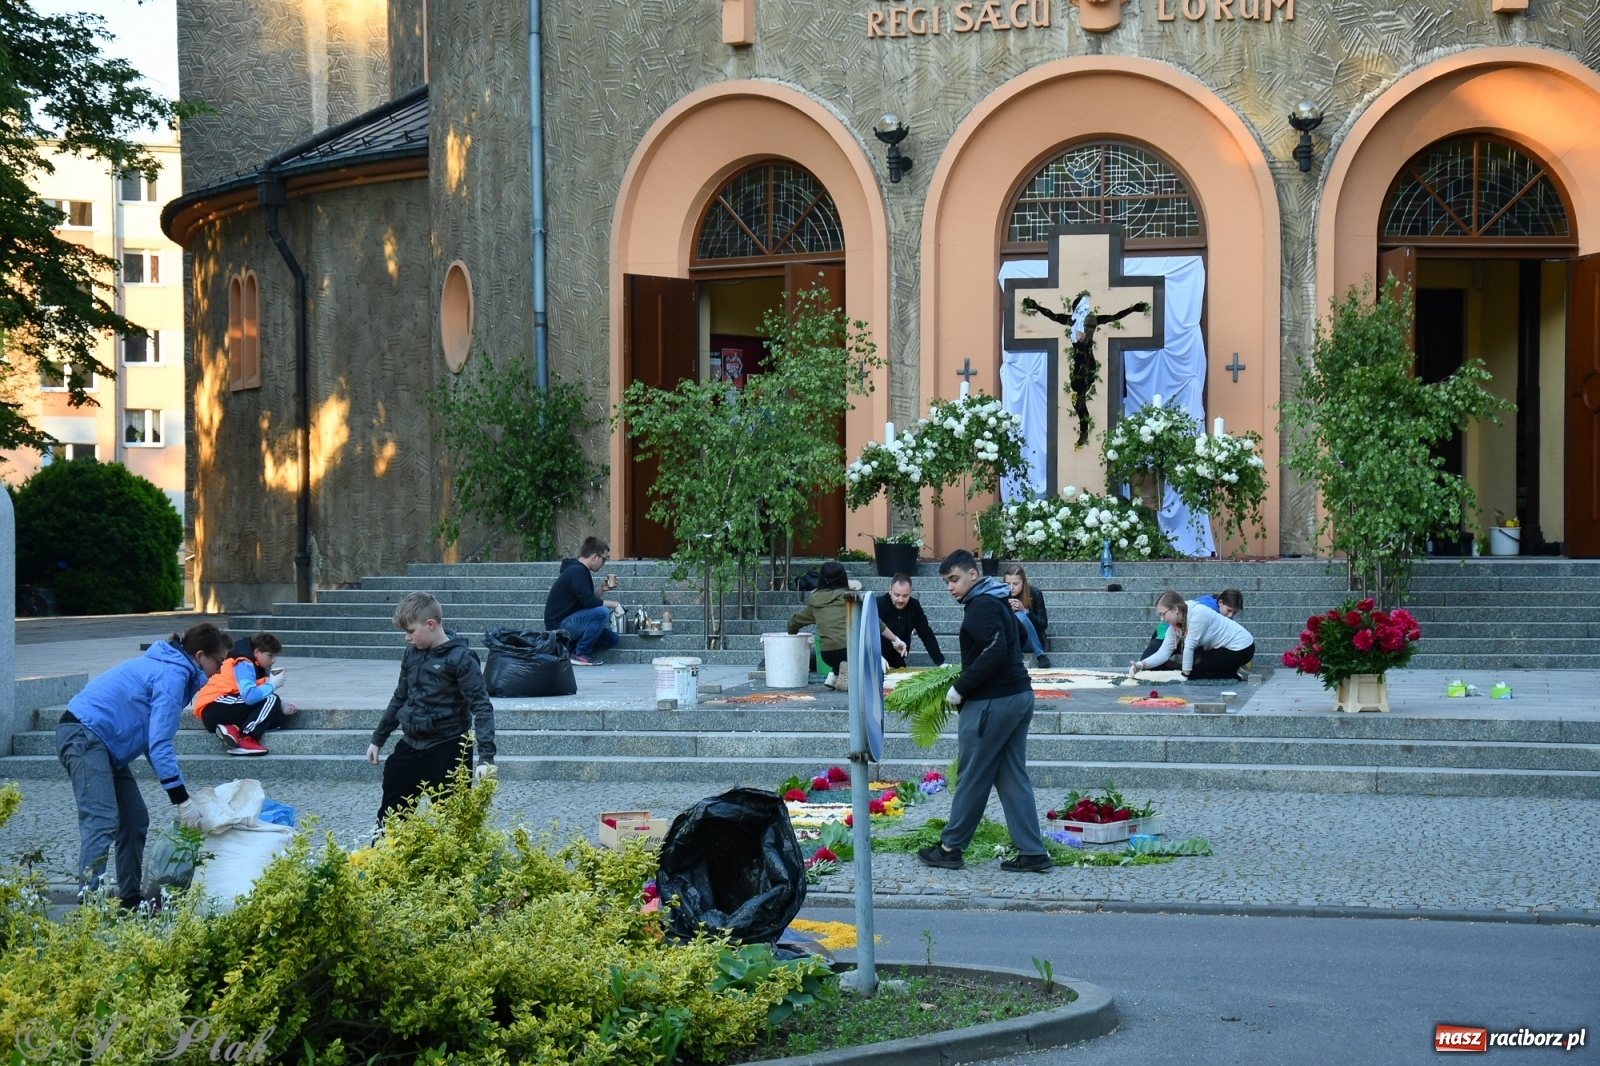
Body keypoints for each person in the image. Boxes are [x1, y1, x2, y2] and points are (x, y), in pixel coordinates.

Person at [56, 622, 230, 908]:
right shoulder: (173, 674)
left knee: (135, 818)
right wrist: (182, 800)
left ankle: (129, 899)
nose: (220, 670)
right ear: (200, 656)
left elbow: (153, 740)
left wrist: (180, 796)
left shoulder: (175, 669)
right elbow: (159, 745)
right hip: (83, 734)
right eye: (218, 662)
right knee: (101, 821)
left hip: (104, 742)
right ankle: (88, 907)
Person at [917, 550, 1051, 874]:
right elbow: (1019, 636)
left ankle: (950, 848)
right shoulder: (997, 599)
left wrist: (961, 687)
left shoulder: (980, 605)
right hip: (1019, 696)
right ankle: (1033, 853)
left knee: (972, 775)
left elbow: (995, 649)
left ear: (973, 575)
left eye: (954, 579)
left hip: (993, 700)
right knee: (1011, 775)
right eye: (946, 582)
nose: (950, 587)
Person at [367, 592, 497, 833]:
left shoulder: (461, 658)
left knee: (455, 826)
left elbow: (481, 706)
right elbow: (400, 697)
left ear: (430, 624)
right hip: (410, 745)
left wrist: (486, 758)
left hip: (448, 748)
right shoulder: (411, 653)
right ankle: (381, 854)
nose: (407, 638)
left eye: (410, 631)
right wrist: (378, 738)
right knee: (390, 821)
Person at [193, 631, 298, 755]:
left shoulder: (253, 664)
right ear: (257, 652)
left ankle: (231, 729)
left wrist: (281, 704)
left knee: (275, 717)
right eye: (270, 656)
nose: (273, 660)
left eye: (275, 656)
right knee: (272, 699)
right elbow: (249, 697)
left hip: (219, 710)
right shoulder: (244, 663)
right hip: (214, 706)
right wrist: (273, 684)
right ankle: (247, 739)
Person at [1130, 591, 1256, 681]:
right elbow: (1163, 653)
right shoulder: (1175, 625)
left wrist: (1185, 676)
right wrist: (1140, 665)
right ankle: (1232, 669)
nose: (1162, 619)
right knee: (1196, 670)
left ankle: (1233, 673)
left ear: (1175, 609)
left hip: (1242, 648)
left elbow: (1189, 646)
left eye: (1163, 614)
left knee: (1194, 674)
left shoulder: (1197, 614)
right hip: (1221, 648)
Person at [543, 536, 621, 666]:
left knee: (611, 639)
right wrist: (615, 605)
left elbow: (586, 601)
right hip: (559, 627)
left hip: (571, 621)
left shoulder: (579, 570)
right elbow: (590, 603)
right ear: (595, 556)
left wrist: (602, 590)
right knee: (602, 612)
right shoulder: (576, 571)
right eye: (604, 559)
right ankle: (581, 653)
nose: (604, 564)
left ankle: (569, 649)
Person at [1137, 587, 1244, 668]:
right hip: (1166, 631)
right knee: (1148, 662)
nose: (1230, 616)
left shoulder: (1221, 614)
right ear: (1220, 603)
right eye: (1229, 611)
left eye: (1234, 613)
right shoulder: (1206, 609)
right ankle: (1179, 666)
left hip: (1186, 635)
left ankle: (1184, 666)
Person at [788, 559, 850, 690]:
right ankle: (846, 675)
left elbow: (795, 621)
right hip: (848, 651)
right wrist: (893, 639)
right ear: (844, 577)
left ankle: (834, 675)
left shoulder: (815, 600)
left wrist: (791, 632)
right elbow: (874, 622)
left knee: (835, 644)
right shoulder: (849, 598)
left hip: (827, 654)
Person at [876, 573, 945, 669]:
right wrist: (876, 656)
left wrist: (940, 661)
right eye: (897, 595)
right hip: (876, 659)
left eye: (905, 596)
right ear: (890, 590)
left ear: (910, 593)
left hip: (898, 660)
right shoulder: (879, 604)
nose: (900, 600)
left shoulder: (914, 606)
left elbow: (926, 633)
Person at [1001, 564, 1050, 668]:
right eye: (1007, 584)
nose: (1011, 588)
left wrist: (1026, 611)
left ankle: (1040, 655)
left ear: (1023, 583)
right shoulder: (1000, 594)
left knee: (1020, 615)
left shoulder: (1034, 593)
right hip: (1009, 642)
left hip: (1031, 641)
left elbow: (1043, 624)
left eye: (1015, 584)